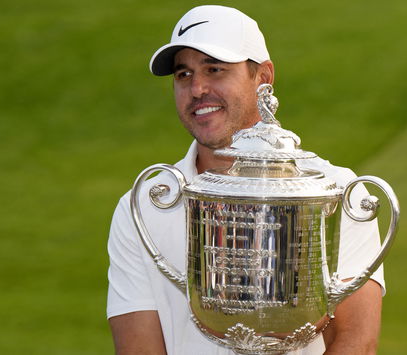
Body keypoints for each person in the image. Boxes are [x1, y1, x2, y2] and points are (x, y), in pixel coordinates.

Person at [107, 5, 385, 355]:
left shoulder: (336, 191)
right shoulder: (144, 205)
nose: (197, 89)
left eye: (215, 69)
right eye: (183, 75)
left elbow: (355, 343)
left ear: (263, 77)